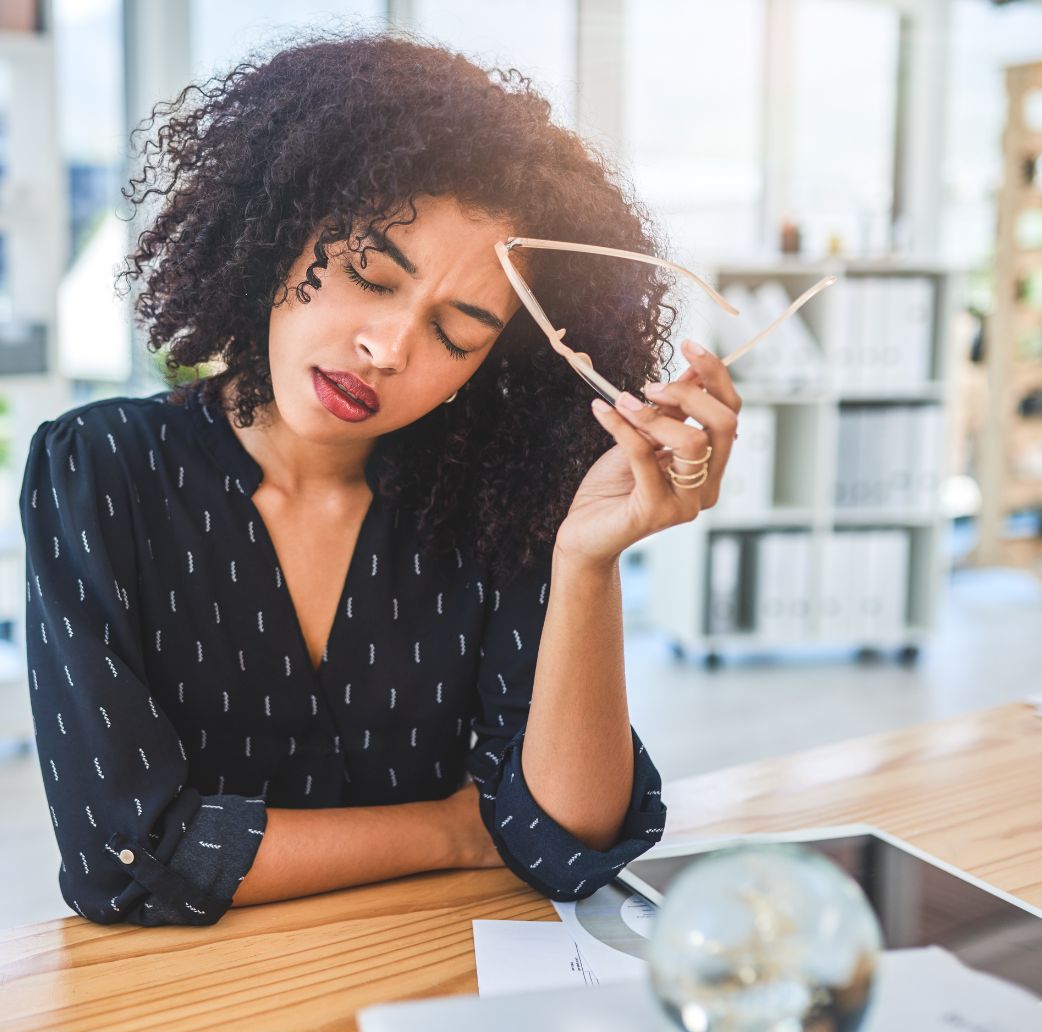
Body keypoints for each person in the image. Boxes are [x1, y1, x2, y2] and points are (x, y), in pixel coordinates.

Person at [20, 32, 741, 926]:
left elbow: (562, 842)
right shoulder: (98, 472)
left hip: (425, 991)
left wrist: (587, 562)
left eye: (458, 332)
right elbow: (124, 860)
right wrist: (456, 833)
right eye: (367, 273)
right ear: (279, 230)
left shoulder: (496, 501)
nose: (388, 350)